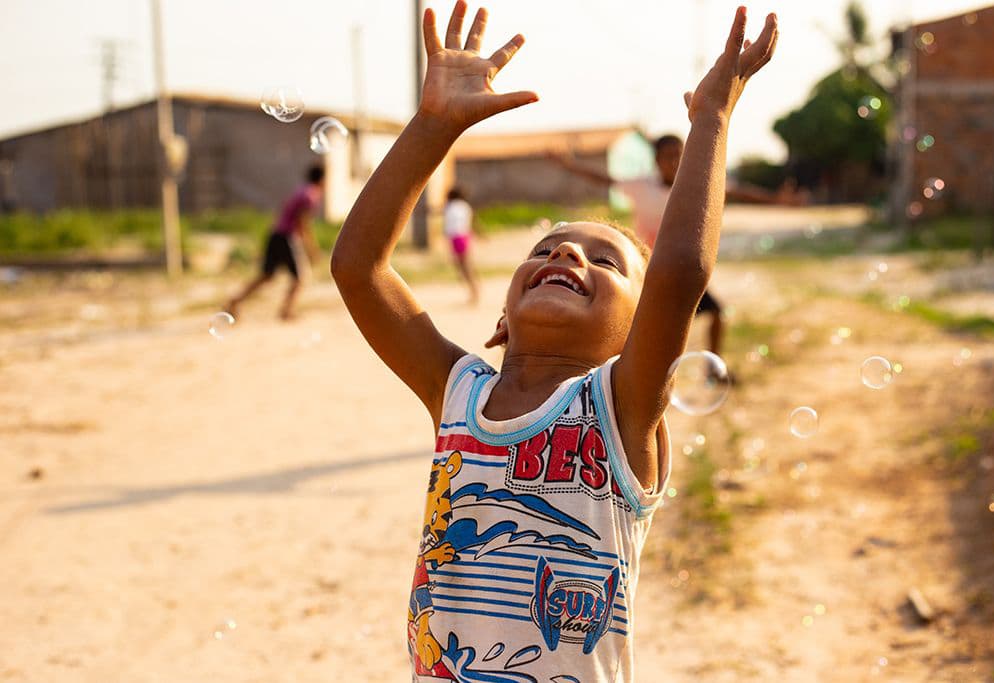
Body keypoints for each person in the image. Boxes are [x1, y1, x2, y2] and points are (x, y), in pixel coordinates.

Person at [330, 2, 777, 680]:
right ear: (502, 318)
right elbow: (358, 269)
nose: (568, 249)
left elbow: (680, 271)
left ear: (640, 332)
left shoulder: (620, 405)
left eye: (605, 261)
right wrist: (433, 128)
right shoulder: (458, 391)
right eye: (547, 247)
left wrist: (711, 119)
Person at [549, 133, 803, 359]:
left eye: (679, 154)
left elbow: (738, 191)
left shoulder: (694, 185)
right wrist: (570, 165)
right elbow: (605, 179)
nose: (674, 160)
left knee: (716, 312)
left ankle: (713, 367)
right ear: (656, 160)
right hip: (646, 269)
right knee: (633, 324)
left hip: (682, 268)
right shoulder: (642, 186)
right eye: (667, 155)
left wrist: (775, 200)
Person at [225, 165, 323, 321]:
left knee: (267, 275)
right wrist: (313, 249)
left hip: (276, 234)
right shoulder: (310, 195)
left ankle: (235, 301)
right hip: (287, 237)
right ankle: (286, 311)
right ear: (323, 179)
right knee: (300, 277)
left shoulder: (301, 190)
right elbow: (303, 224)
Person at [443, 186, 481, 304]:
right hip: (464, 236)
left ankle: (474, 292)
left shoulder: (451, 207)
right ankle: (474, 291)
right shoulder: (464, 206)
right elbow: (473, 222)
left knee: (463, 266)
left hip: (457, 238)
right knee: (465, 265)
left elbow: (450, 227)